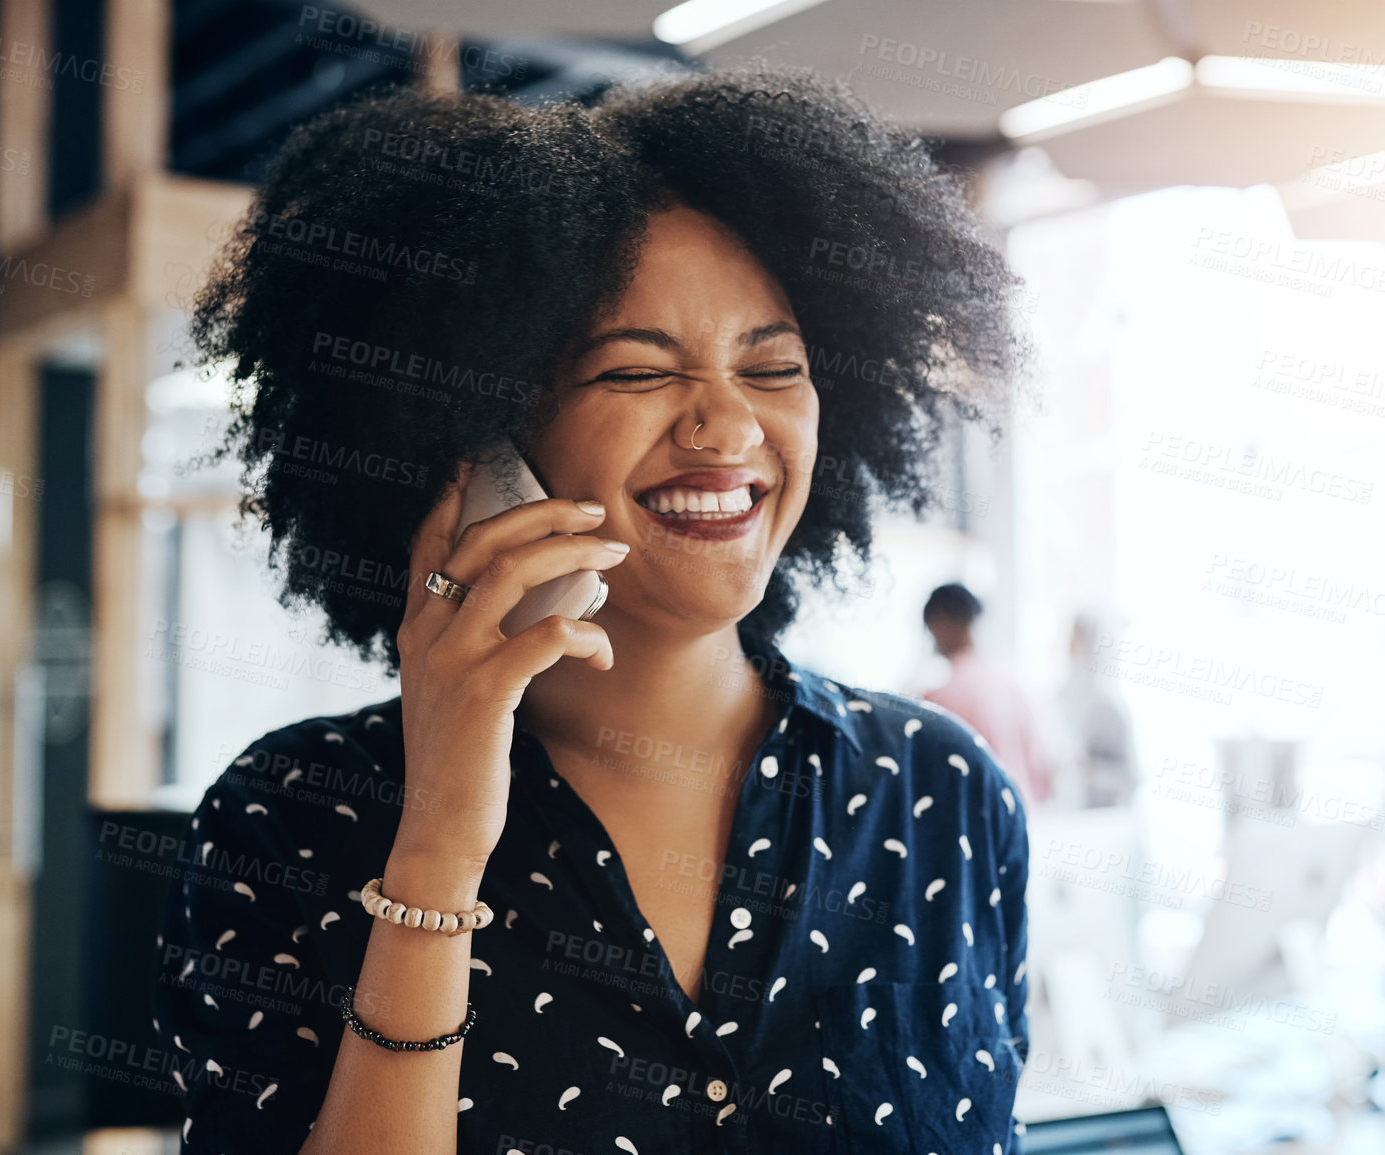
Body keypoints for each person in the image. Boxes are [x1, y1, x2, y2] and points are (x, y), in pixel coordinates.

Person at [155, 66, 1038, 1155]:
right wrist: (435, 847)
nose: (727, 430)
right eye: (636, 373)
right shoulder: (292, 815)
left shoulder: (940, 794)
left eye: (773, 368)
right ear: (474, 438)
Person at [920, 584, 1054, 809]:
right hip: (1020, 824)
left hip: (972, 830)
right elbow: (1043, 773)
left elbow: (931, 782)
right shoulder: (1013, 685)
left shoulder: (939, 699)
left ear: (940, 620)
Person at [1053, 612, 1139, 808]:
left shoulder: (1110, 704)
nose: (1069, 644)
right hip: (1066, 813)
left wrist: (1089, 771)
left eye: (1076, 636)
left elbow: (1132, 777)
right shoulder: (1063, 694)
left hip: (1105, 818)